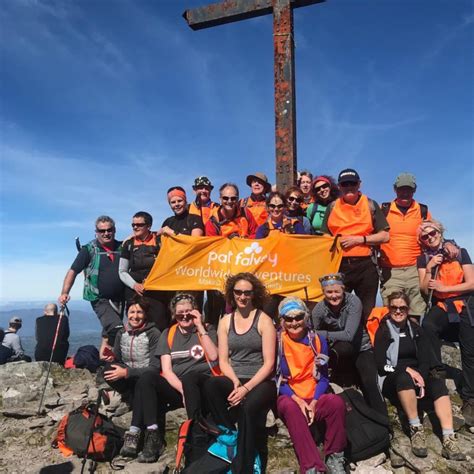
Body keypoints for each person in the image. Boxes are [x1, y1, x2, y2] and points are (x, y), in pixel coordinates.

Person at [119, 293, 218, 462]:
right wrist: (183, 391)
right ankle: (153, 435)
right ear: (174, 314)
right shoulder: (168, 333)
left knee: (191, 377)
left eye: (189, 312)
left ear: (196, 312)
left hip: (201, 385)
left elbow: (214, 357)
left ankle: (195, 440)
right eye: (180, 313)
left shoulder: (208, 330)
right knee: (147, 377)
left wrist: (200, 327)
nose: (185, 316)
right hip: (178, 388)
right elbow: (167, 370)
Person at [374, 291, 465, 460]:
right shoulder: (383, 331)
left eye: (402, 307)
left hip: (417, 376)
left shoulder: (416, 329)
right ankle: (416, 428)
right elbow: (381, 365)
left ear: (408, 309)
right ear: (389, 308)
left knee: (438, 385)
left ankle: (448, 437)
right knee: (404, 378)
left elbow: (424, 359)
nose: (398, 311)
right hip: (391, 377)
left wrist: (421, 378)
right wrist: (407, 370)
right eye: (394, 307)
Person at [203, 273, 276, 473]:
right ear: (231, 294)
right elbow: (223, 360)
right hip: (236, 378)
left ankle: (244, 465)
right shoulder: (226, 321)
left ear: (254, 294)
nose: (242, 297)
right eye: (238, 292)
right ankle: (229, 433)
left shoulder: (264, 320)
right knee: (211, 385)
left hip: (260, 381)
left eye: (247, 293)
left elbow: (269, 364)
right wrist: (235, 381)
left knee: (248, 408)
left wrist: (245, 388)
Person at [277, 297, 347, 474]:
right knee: (290, 408)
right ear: (282, 321)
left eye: (298, 317)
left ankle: (335, 455)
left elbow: (323, 377)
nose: (294, 322)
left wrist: (314, 401)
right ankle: (311, 466)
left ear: (306, 317)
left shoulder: (317, 340)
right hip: (290, 395)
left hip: (313, 392)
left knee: (336, 403)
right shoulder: (277, 341)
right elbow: (276, 379)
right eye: (288, 318)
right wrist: (299, 401)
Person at [417, 219, 474, 427]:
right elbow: (424, 289)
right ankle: (436, 371)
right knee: (428, 326)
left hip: (465, 303)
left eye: (433, 233)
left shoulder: (459, 251)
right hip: (441, 306)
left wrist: (445, 289)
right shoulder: (423, 259)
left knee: (469, 351)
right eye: (425, 236)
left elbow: (472, 282)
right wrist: (431, 267)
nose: (430, 237)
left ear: (440, 232)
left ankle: (470, 398)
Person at [312, 273, 387, 416]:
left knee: (369, 382)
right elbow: (312, 336)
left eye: (337, 292)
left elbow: (348, 335)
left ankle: (383, 422)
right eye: (329, 292)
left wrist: (323, 334)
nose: (333, 296)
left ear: (343, 290)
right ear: (323, 292)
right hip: (339, 352)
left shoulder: (354, 302)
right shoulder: (319, 310)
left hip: (361, 348)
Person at [321, 169, 390, 321]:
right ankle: (341, 343)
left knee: (367, 312)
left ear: (359, 184)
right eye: (345, 184)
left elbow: (385, 236)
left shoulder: (371, 204)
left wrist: (359, 240)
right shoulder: (332, 207)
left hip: (366, 266)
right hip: (339, 266)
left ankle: (367, 343)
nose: (349, 187)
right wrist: (335, 242)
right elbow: (324, 235)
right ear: (339, 186)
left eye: (352, 183)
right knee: (336, 311)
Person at [103, 297, 162, 462]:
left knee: (141, 383)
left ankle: (134, 433)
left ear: (145, 315)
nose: (135, 316)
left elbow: (154, 367)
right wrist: (112, 361)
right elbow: (118, 359)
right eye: (132, 312)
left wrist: (127, 373)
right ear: (127, 314)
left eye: (139, 312)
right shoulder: (121, 333)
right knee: (107, 370)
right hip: (129, 377)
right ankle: (130, 397)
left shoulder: (153, 333)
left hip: (147, 377)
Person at [58, 215, 125, 354]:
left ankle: (103, 359)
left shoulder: (122, 247)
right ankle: (117, 361)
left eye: (109, 229)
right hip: (98, 298)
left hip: (119, 298)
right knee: (117, 329)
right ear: (96, 232)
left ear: (114, 230)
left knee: (108, 332)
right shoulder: (89, 249)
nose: (106, 233)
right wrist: (65, 293)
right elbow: (73, 271)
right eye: (102, 231)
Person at [119, 211, 169, 331]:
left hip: (155, 290)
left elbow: (167, 265)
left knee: (159, 323)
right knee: (135, 322)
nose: (135, 227)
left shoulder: (159, 241)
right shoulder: (128, 244)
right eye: (133, 225)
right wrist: (134, 285)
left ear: (149, 226)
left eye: (139, 224)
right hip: (134, 290)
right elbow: (122, 271)